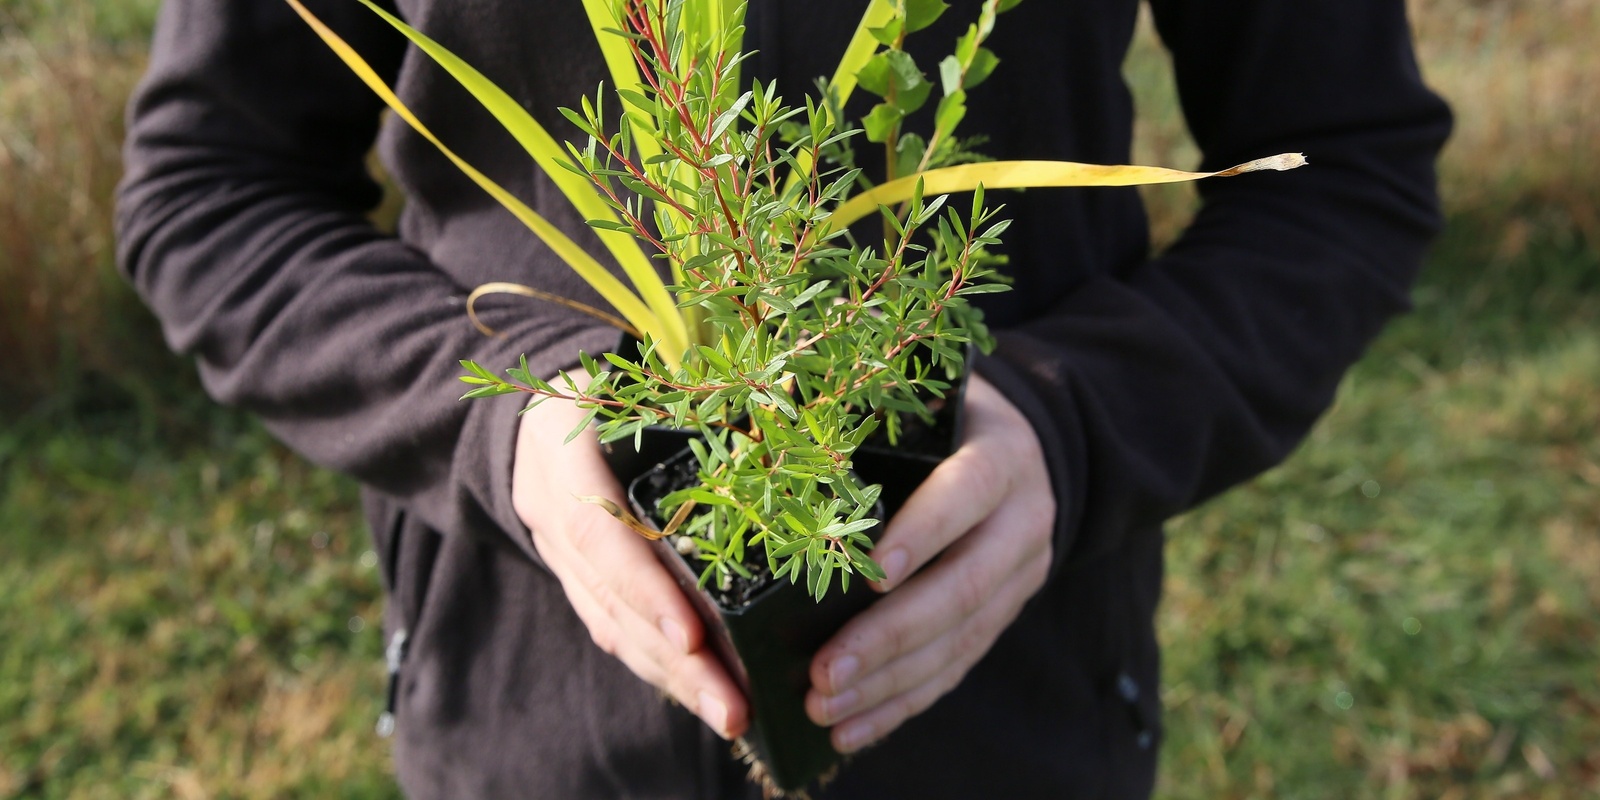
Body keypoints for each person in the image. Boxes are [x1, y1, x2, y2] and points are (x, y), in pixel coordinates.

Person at [115, 0, 1450, 797]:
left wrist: (1072, 426)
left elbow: (1341, 167)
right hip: (523, 730)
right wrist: (500, 424)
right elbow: (209, 185)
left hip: (1011, 728)